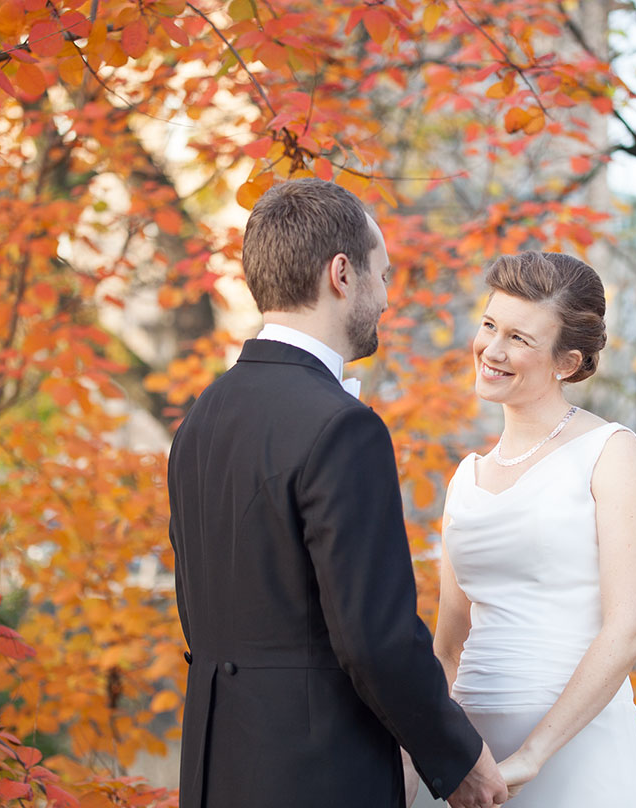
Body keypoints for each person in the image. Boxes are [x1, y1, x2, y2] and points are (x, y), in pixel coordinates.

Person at [166, 178, 507, 808]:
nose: (385, 298)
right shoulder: (344, 427)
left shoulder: (201, 419)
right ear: (342, 274)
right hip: (317, 774)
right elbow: (373, 636)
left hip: (217, 773)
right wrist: (458, 760)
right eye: (382, 274)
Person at [434, 251, 636, 806]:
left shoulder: (610, 452)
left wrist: (532, 755)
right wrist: (428, 758)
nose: (492, 349)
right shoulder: (465, 479)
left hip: (576, 752)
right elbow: (447, 646)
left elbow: (627, 630)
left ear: (566, 362)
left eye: (519, 338)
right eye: (489, 325)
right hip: (470, 755)